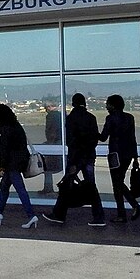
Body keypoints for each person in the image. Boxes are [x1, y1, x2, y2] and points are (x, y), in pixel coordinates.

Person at [43, 93, 106, 227]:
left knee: (66, 185)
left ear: (73, 103)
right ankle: (98, 216)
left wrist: (74, 159)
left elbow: (70, 140)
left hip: (75, 157)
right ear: (85, 103)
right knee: (91, 186)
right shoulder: (91, 117)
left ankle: (59, 214)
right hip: (88, 156)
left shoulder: (71, 118)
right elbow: (94, 138)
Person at [0, 104, 38, 229]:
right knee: (4, 187)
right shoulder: (17, 126)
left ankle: (31, 215)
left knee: (20, 189)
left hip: (11, 165)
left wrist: (2, 167)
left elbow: (4, 149)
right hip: (19, 162)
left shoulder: (5, 129)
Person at [99, 94, 140, 223]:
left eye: (108, 104)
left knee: (116, 184)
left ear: (113, 105)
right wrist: (135, 157)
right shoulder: (130, 118)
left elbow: (103, 137)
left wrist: (92, 132)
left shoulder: (110, 118)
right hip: (127, 154)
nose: (106, 106)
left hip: (115, 155)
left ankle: (125, 211)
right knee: (119, 181)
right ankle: (130, 208)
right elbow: (132, 137)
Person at [38, 101, 63, 195]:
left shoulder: (51, 116)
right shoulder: (61, 115)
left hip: (54, 143)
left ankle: (48, 188)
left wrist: (49, 144)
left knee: (47, 168)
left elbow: (52, 130)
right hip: (60, 143)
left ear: (49, 107)